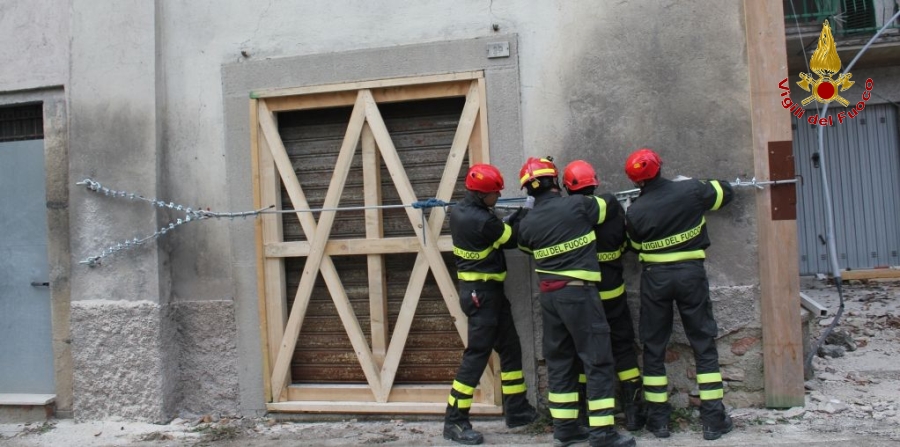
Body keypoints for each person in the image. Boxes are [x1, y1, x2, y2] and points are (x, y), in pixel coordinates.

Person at [516, 157, 635, 447]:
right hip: (579, 293)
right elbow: (610, 205)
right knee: (597, 359)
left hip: (550, 297)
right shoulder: (578, 206)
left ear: (529, 191)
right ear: (555, 181)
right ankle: (603, 433)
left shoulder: (527, 223)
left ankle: (565, 428)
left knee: (560, 361)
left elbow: (524, 246)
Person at [622, 148, 734, 441]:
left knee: (654, 347)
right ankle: (713, 420)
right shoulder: (690, 190)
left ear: (635, 181)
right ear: (661, 166)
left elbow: (634, 246)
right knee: (703, 343)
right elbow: (726, 192)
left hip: (655, 279)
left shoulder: (634, 211)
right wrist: (697, 182)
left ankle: (658, 421)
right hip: (690, 275)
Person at [443, 163, 538, 445]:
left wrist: (511, 217)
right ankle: (455, 420)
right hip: (481, 295)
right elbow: (509, 238)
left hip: (488, 293)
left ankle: (517, 409)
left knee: (510, 347)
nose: (498, 196)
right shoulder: (483, 221)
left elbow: (496, 228)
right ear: (483, 194)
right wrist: (526, 212)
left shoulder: (461, 210)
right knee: (476, 356)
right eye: (495, 193)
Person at [562, 160, 645, 432]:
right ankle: (634, 411)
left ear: (567, 188)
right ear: (594, 184)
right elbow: (627, 245)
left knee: (583, 352)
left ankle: (586, 414)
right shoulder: (612, 213)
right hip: (613, 295)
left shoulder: (569, 221)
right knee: (622, 347)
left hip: (583, 297)